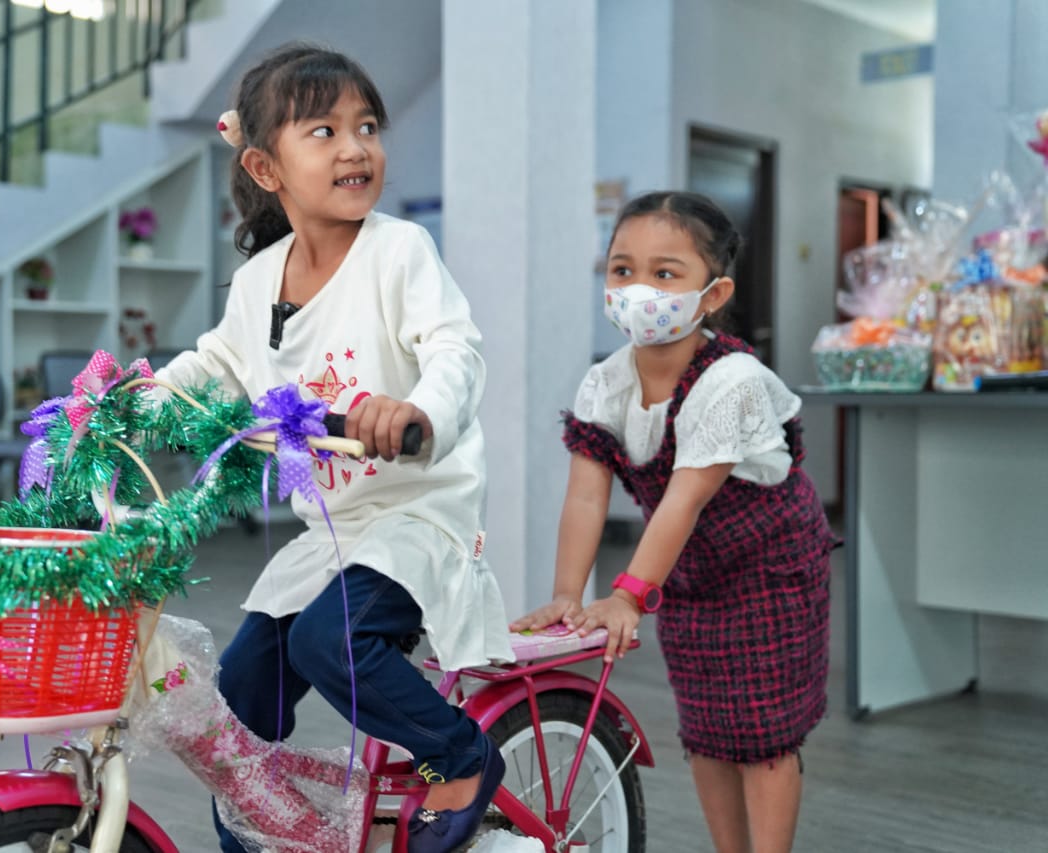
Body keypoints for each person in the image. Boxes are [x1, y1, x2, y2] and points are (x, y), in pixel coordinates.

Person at [153, 43, 511, 853]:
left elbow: (456, 351)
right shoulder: (260, 279)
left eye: (368, 126)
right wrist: (130, 399)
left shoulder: (398, 251)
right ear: (265, 166)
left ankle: (457, 754)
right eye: (324, 130)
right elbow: (215, 364)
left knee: (332, 643)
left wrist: (415, 408)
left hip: (419, 512)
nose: (356, 146)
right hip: (338, 526)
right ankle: (265, 826)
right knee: (238, 696)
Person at [511, 191, 837, 853]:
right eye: (622, 269)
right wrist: (569, 595)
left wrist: (629, 593)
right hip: (688, 569)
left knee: (765, 734)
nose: (637, 289)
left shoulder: (731, 379)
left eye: (665, 274)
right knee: (711, 730)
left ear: (713, 294)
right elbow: (585, 497)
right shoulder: (605, 383)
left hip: (772, 567)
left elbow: (684, 498)